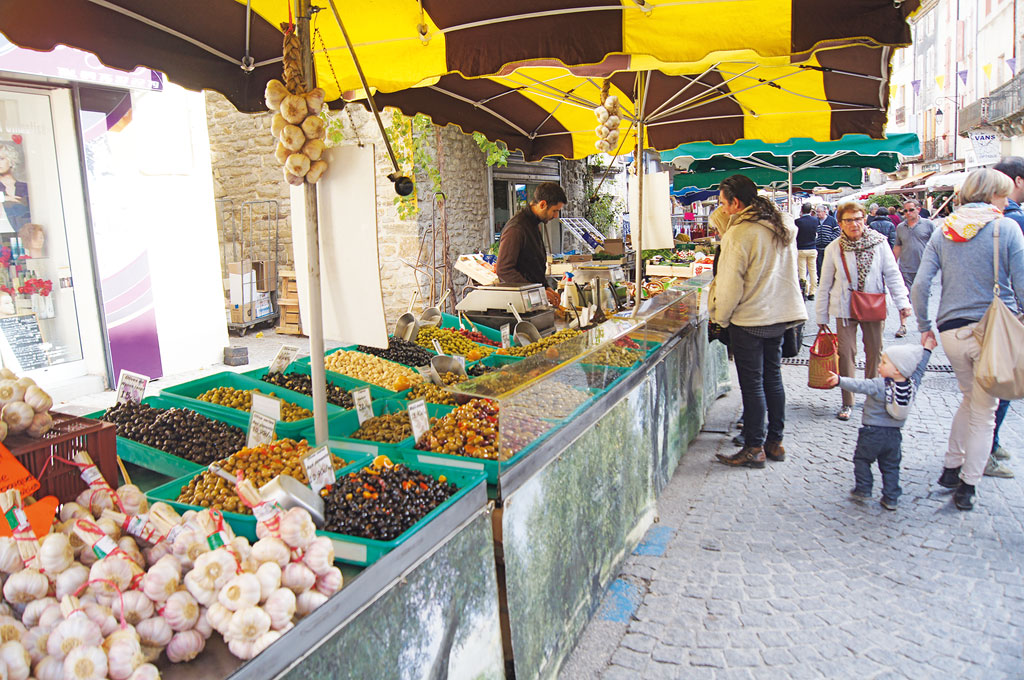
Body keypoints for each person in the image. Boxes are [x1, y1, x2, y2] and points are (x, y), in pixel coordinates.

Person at [912, 168, 1024, 511]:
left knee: (970, 399)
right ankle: (968, 485)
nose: (1006, 201)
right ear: (991, 195)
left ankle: (950, 467)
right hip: (992, 330)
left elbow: (920, 285)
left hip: (950, 331)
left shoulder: (943, 230)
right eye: (1003, 195)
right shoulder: (1006, 228)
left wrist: (923, 325)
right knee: (984, 412)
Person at [711, 175, 807, 468]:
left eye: (722, 203)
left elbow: (729, 286)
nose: (722, 209)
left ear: (736, 203)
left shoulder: (741, 234)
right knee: (773, 378)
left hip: (750, 318)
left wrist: (720, 318)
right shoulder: (780, 226)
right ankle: (774, 443)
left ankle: (754, 447)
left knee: (752, 385)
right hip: (778, 317)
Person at [816, 201, 911, 421]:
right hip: (845, 307)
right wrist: (822, 315)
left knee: (874, 353)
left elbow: (893, 274)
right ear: (840, 223)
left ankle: (872, 396)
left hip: (873, 304)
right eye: (848, 220)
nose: (854, 224)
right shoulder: (834, 248)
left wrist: (903, 303)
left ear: (864, 219)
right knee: (846, 354)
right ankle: (847, 401)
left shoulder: (879, 243)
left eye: (858, 219)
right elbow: (825, 283)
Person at [824, 337, 936, 510]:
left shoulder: (879, 385)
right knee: (891, 466)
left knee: (862, 460)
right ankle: (891, 497)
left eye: (884, 362)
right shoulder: (912, 384)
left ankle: (863, 489)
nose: (879, 365)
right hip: (894, 436)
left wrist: (839, 380)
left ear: (898, 370)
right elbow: (920, 368)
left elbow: (859, 385)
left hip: (871, 433)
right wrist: (927, 350)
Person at [985, 157, 1024, 478]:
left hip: (987, 314)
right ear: (1017, 181)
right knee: (1003, 384)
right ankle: (986, 448)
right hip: (1005, 315)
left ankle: (991, 442)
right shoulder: (1013, 222)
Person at [496, 182, 565, 306]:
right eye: (555, 211)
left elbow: (533, 266)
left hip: (531, 301)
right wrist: (538, 291)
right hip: (518, 305)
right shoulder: (517, 228)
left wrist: (546, 287)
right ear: (543, 204)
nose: (556, 216)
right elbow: (504, 270)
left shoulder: (533, 224)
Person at [892, 198, 935, 338]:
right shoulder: (900, 227)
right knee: (903, 297)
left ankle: (923, 324)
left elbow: (935, 245)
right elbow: (898, 245)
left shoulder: (928, 225)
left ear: (918, 209)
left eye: (911, 210)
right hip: (905, 267)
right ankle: (903, 325)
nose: (908, 213)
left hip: (924, 268)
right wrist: (892, 264)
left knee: (921, 297)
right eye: (905, 211)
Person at [0, 144, 30, 234]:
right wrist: (6, 198)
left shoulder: (24, 187)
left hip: (25, 236)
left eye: (1, 159)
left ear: (11, 161)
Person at [794, 203, 818, 299]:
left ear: (802, 210)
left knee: (802, 271)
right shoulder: (815, 220)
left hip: (801, 249)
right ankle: (812, 292)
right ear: (810, 210)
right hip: (812, 248)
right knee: (813, 271)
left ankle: (804, 290)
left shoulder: (797, 222)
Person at [815, 204, 840, 279]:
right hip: (818, 246)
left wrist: (831, 239)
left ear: (824, 212)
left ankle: (829, 278)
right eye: (817, 212)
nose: (818, 214)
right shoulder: (816, 221)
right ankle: (820, 278)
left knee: (829, 264)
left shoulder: (831, 220)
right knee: (819, 264)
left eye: (819, 212)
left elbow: (837, 231)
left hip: (828, 246)